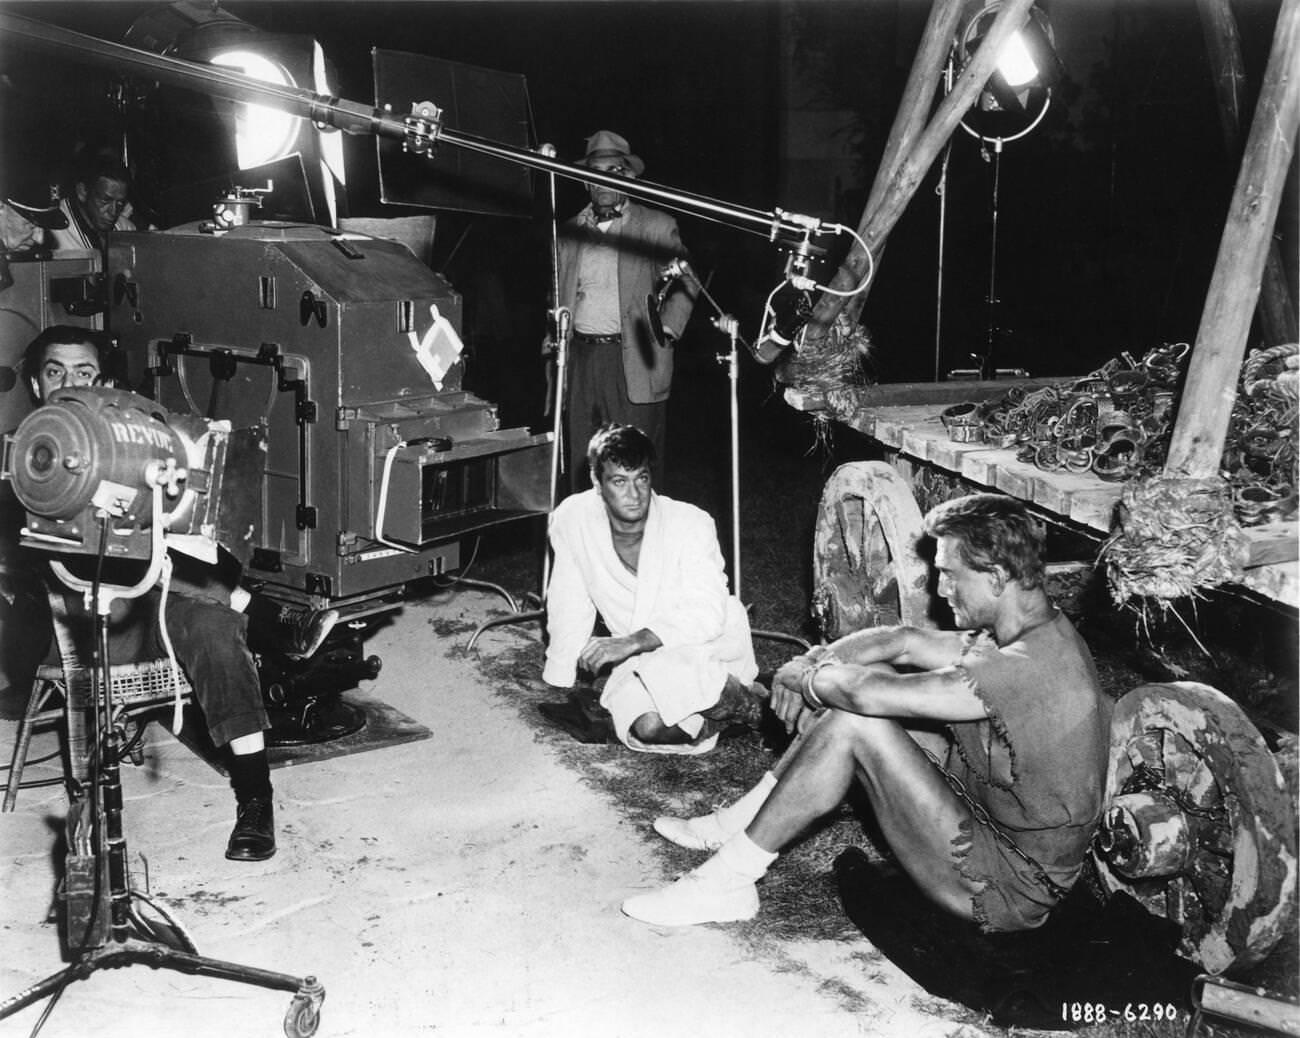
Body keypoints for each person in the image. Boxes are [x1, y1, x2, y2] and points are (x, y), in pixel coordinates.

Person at [622, 493, 1114, 929]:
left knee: (855, 721)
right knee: (850, 707)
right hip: (985, 816)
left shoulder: (1025, 667)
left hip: (1009, 884)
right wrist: (812, 659)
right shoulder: (1026, 628)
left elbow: (861, 696)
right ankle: (737, 827)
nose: (940, 590)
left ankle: (728, 881)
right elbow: (903, 640)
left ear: (997, 576)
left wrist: (800, 677)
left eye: (948, 574)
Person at [18, 325, 283, 861]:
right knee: (153, 613)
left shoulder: (129, 438)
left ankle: (256, 798)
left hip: (154, 590)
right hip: (82, 606)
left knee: (214, 630)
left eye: (84, 373)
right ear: (35, 384)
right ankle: (90, 816)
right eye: (55, 372)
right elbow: (57, 560)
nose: (70, 382)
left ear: (105, 382)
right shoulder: (36, 455)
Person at [542, 423, 762, 754]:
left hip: (705, 645)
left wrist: (630, 642)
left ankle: (753, 706)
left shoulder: (690, 523)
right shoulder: (574, 518)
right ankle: (723, 711)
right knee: (647, 728)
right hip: (642, 657)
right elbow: (568, 598)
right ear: (597, 483)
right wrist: (561, 672)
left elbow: (708, 613)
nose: (634, 494)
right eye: (619, 481)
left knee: (678, 675)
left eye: (641, 478)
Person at [555, 131, 697, 492]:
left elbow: (688, 281)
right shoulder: (569, 232)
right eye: (596, 172)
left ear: (628, 178)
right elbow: (558, 293)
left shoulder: (654, 225)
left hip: (633, 359)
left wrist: (667, 329)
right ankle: (588, 546)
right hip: (582, 361)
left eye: (614, 170)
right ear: (586, 181)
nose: (604, 179)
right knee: (582, 466)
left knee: (634, 466)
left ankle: (641, 545)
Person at [49, 154, 136, 255]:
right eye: (105, 200)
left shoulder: (127, 230)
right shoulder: (53, 228)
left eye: (120, 203)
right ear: (82, 192)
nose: (113, 211)